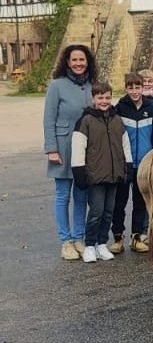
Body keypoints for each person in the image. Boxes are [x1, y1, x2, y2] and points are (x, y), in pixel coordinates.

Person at [43, 44, 98, 260]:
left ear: (87, 62)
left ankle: (79, 238)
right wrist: (51, 149)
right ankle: (66, 241)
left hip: (87, 148)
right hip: (63, 146)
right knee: (63, 195)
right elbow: (48, 119)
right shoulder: (57, 86)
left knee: (82, 194)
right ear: (67, 62)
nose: (78, 63)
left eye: (82, 60)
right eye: (74, 60)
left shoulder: (93, 85)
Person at [71, 82, 132, 263]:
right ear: (93, 99)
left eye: (107, 97)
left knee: (108, 211)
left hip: (114, 175)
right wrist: (79, 172)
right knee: (96, 211)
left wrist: (127, 167)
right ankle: (90, 245)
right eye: (100, 98)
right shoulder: (86, 121)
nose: (104, 101)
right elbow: (78, 147)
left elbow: (125, 145)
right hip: (95, 175)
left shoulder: (117, 120)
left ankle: (102, 243)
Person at [111, 72, 153, 254]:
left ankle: (137, 236)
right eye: (130, 87)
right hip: (125, 163)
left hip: (145, 164)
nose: (134, 91)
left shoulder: (152, 108)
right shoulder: (120, 108)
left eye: (137, 87)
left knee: (141, 202)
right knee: (120, 202)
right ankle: (117, 237)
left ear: (142, 87)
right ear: (126, 88)